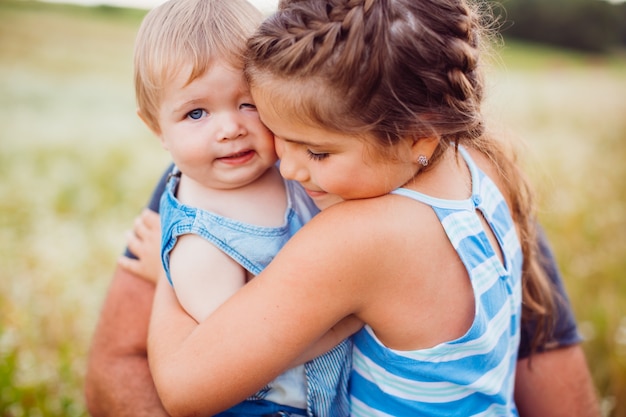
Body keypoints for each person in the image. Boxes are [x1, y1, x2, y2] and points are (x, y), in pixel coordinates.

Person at [144, 0, 600, 416]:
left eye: (318, 153)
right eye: (281, 134)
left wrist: (171, 257)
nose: (289, 169)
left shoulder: (360, 237)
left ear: (419, 137)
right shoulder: (480, 163)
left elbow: (185, 390)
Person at [94, 0, 356, 416]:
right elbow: (246, 355)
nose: (230, 128)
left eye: (247, 103)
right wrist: (352, 315)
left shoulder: (289, 168)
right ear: (156, 128)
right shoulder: (200, 243)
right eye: (196, 112)